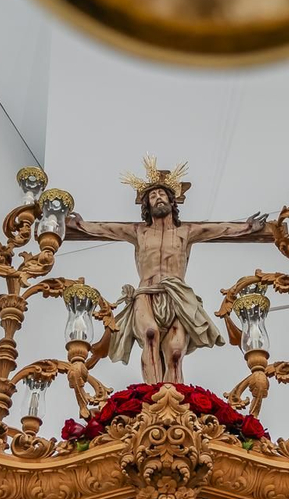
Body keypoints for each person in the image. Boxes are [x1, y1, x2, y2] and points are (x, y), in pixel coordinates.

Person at [66, 156, 268, 384]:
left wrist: (247, 227)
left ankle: (174, 400)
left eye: (162, 195)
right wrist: (82, 226)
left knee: (174, 351)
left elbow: (218, 229)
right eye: (153, 196)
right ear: (147, 205)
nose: (158, 198)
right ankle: (152, 395)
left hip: (177, 295)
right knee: (150, 334)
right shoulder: (139, 232)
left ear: (172, 202)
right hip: (146, 293)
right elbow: (107, 229)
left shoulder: (187, 232)